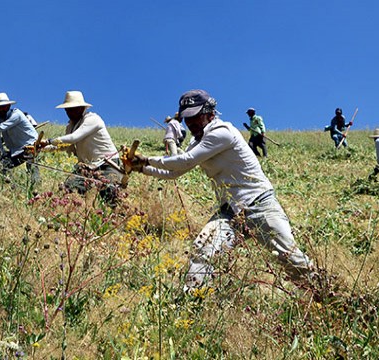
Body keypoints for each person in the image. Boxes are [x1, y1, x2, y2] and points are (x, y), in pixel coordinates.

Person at [130, 89, 315, 291]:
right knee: (202, 250)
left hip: (259, 203)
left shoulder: (222, 133)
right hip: (229, 210)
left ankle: (329, 296)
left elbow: (185, 161)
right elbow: (176, 172)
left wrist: (147, 159)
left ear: (210, 113)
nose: (190, 123)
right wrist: (142, 169)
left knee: (289, 257)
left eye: (195, 117)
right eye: (187, 119)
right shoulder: (196, 142)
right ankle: (193, 301)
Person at [43, 91, 122, 205]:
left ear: (81, 108)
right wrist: (41, 148)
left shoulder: (93, 119)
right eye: (67, 110)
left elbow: (74, 138)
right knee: (69, 190)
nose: (69, 112)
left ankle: (118, 216)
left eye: (72, 109)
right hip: (87, 166)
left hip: (108, 163)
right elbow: (64, 145)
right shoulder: (71, 126)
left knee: (110, 195)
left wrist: (48, 141)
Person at [0, 93, 40, 184]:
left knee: (31, 166)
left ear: (7, 106)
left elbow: (0, 127)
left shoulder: (16, 114)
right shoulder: (0, 119)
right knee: (2, 166)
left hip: (31, 145)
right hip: (17, 150)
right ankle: (14, 186)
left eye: (0, 107)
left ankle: (36, 187)